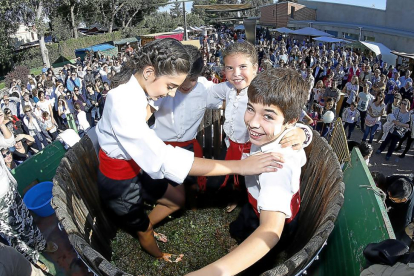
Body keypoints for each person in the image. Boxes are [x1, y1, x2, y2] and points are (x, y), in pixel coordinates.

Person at [95, 38, 283, 263]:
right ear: (148, 72)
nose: (173, 94)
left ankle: (145, 226)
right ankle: (158, 253)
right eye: (171, 86)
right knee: (143, 226)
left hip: (141, 165)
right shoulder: (122, 102)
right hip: (120, 179)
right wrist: (239, 166)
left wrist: (301, 130)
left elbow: (250, 90)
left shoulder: (139, 89)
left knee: (177, 198)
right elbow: (162, 159)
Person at [186, 67, 308, 276]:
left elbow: (269, 231)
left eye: (267, 116)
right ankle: (239, 240)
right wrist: (305, 132)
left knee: (256, 257)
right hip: (253, 202)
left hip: (274, 212)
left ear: (290, 121)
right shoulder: (280, 133)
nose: (252, 122)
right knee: (242, 227)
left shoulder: (277, 165)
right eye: (250, 108)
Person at [0, 109, 57, 274]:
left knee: (26, 220)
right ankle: (33, 260)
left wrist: (2, 125)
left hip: (9, 191)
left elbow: (9, 141)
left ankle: (41, 245)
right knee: (13, 235)